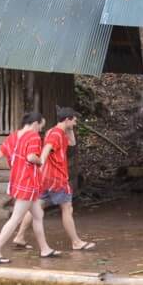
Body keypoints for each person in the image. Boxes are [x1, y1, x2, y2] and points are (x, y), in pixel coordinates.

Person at [0, 112, 55, 262]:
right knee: (15, 219)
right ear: (35, 123)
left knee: (38, 215)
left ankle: (45, 249)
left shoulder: (13, 136)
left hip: (17, 180)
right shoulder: (34, 137)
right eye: (40, 126)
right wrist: (41, 161)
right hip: (28, 182)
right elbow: (31, 157)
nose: (40, 130)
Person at [40, 107, 95, 251]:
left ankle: (19, 236)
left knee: (36, 207)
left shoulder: (53, 131)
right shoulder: (56, 134)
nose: (75, 123)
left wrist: (69, 128)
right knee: (67, 208)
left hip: (46, 178)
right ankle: (76, 242)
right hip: (57, 178)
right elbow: (47, 149)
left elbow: (72, 143)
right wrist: (40, 164)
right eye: (74, 121)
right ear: (66, 119)